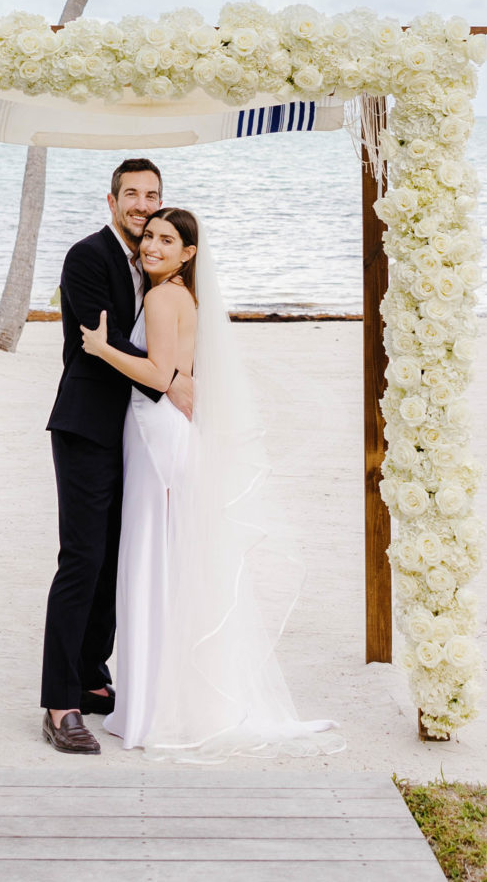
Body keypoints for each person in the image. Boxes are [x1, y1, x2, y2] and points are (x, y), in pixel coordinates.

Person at [77, 205, 340, 759]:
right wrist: (176, 380)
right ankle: (166, 698)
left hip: (158, 434)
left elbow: (159, 374)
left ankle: (160, 708)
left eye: (166, 240)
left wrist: (103, 349)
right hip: (161, 429)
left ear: (188, 254)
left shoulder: (161, 296)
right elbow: (179, 375)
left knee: (157, 561)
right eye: (149, 236)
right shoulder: (180, 295)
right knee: (169, 560)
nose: (151, 246)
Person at [39, 158, 186, 754]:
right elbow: (102, 345)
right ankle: (59, 703)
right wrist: (165, 378)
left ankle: (93, 679)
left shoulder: (153, 265)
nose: (143, 205)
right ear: (111, 201)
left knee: (112, 562)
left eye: (152, 195)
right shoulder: (87, 257)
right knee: (80, 560)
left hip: (132, 433)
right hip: (85, 427)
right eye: (132, 195)